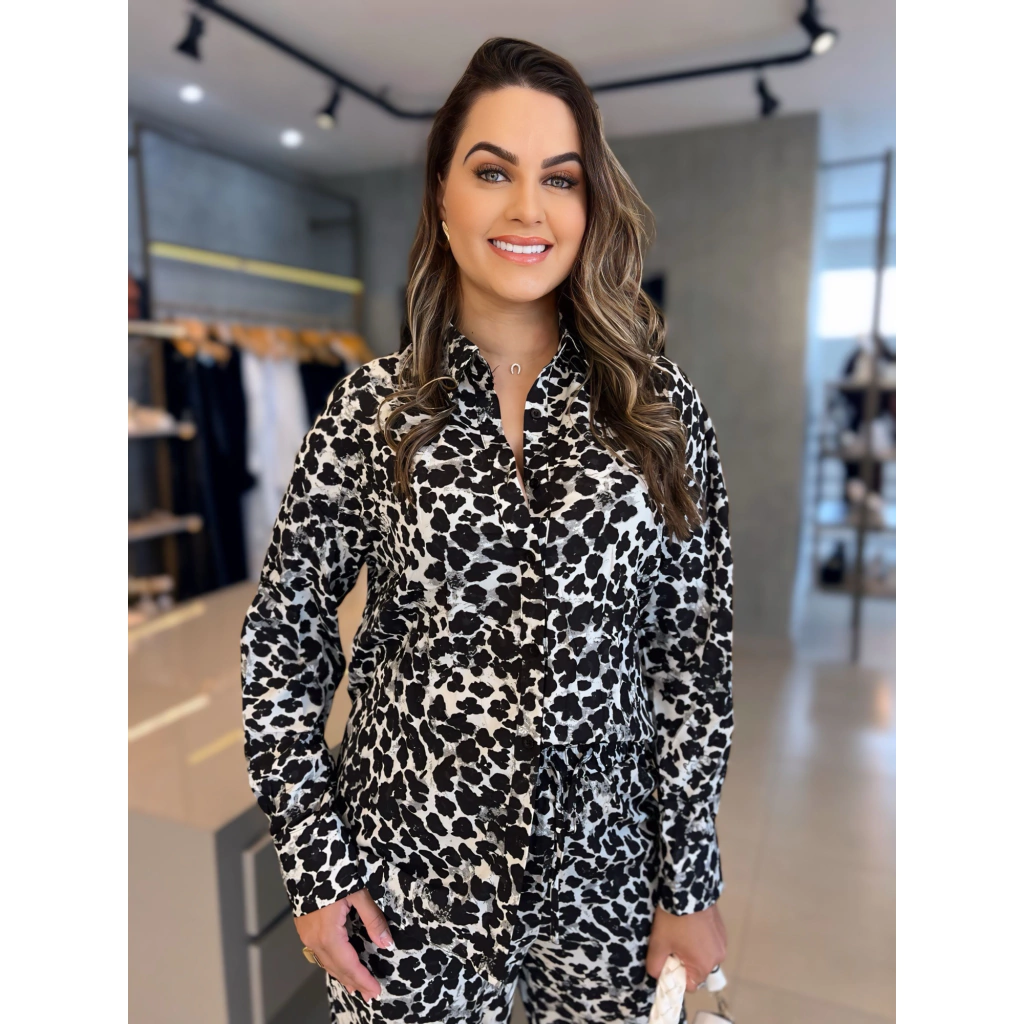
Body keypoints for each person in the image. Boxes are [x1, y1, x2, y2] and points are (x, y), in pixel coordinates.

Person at [240, 36, 734, 1024]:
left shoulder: (658, 412)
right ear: (441, 194)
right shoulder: (372, 411)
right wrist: (315, 865)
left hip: (607, 878)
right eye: (493, 171)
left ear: (589, 204)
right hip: (406, 879)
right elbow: (283, 641)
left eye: (560, 178)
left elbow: (691, 661)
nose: (527, 210)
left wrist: (689, 880)